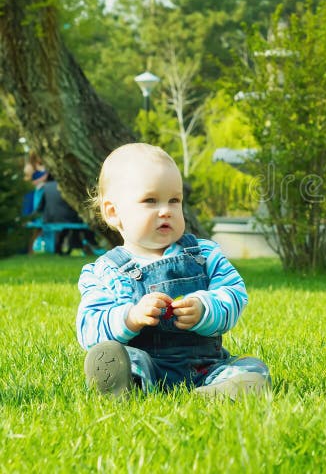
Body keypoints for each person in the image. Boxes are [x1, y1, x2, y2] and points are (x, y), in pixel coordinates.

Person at [77, 143, 270, 398]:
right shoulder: (104, 271)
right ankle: (129, 385)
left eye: (174, 200)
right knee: (121, 358)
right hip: (147, 363)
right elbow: (89, 330)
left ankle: (215, 392)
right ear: (114, 213)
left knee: (253, 368)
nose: (166, 210)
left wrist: (204, 307)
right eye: (150, 200)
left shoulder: (204, 254)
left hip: (206, 367)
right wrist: (131, 317)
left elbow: (235, 295)